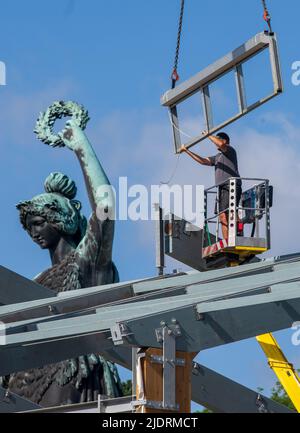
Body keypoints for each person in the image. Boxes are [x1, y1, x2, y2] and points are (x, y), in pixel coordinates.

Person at [1, 120, 123, 407]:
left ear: (61, 219)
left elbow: (106, 205)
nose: (33, 232)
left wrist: (81, 147)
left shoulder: (86, 262)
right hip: (24, 384)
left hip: (72, 374)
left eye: (39, 222)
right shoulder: (36, 281)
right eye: (29, 226)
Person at [180, 132, 242, 240]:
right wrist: (187, 151)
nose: (215, 143)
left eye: (217, 139)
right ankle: (227, 241)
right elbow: (203, 161)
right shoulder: (217, 157)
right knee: (222, 215)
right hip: (221, 187)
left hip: (231, 185)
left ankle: (237, 235)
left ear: (225, 141)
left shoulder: (230, 150)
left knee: (230, 212)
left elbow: (221, 145)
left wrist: (208, 135)